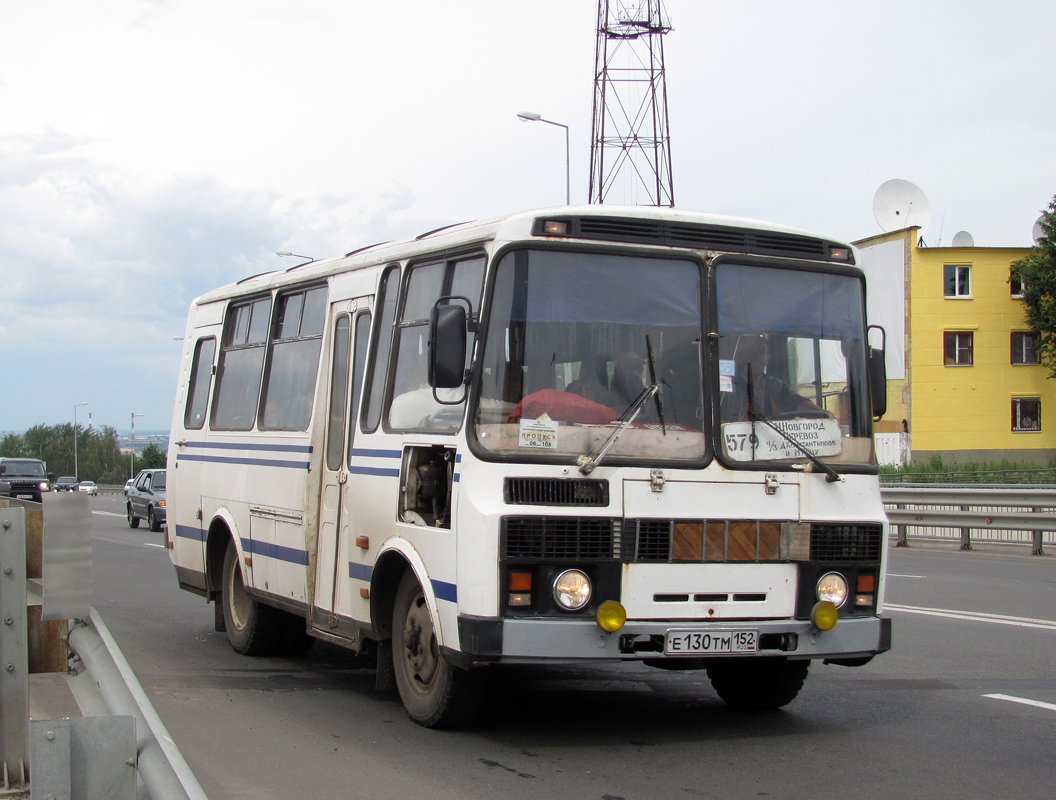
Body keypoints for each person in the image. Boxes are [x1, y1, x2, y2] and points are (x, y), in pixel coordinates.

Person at [724, 335, 832, 421]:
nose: (757, 357)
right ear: (740, 357)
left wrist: (822, 413)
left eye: (761, 352)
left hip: (776, 444)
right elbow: (716, 422)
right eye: (751, 352)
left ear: (767, 359)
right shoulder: (727, 388)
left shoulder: (777, 386)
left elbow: (797, 401)